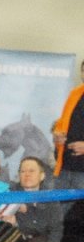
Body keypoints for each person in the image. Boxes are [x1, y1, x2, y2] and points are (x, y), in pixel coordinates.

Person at [12, 156, 64, 242]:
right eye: (23, 171)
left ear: (42, 176)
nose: (27, 174)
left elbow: (56, 229)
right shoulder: (10, 195)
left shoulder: (51, 198)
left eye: (31, 171)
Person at [52, 59, 84, 213]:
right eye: (83, 71)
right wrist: (57, 136)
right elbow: (62, 122)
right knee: (57, 212)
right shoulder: (75, 94)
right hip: (65, 165)